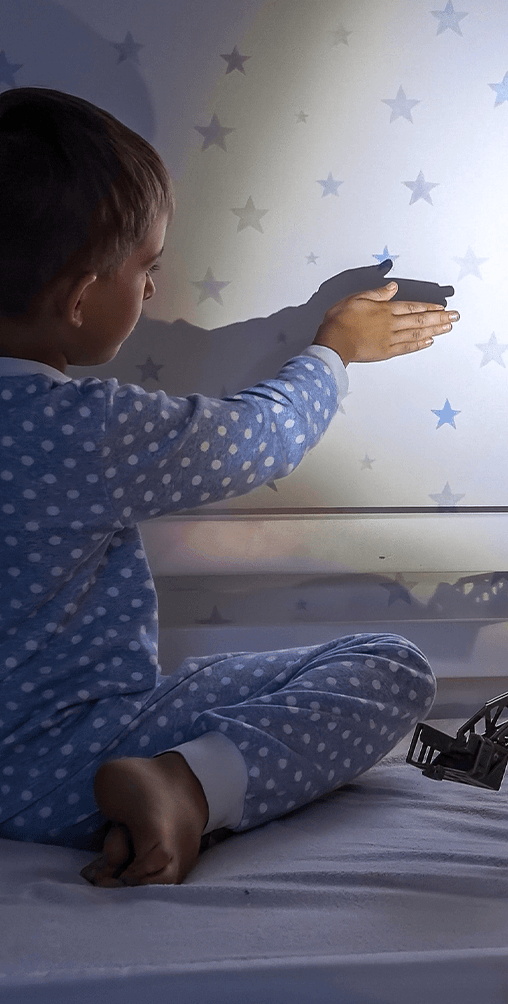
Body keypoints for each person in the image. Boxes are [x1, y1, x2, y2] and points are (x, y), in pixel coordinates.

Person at [0, 87, 459, 886]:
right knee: (389, 665)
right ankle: (189, 786)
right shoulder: (80, 428)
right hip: (60, 765)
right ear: (79, 299)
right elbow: (260, 439)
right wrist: (333, 350)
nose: (151, 291)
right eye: (146, 269)